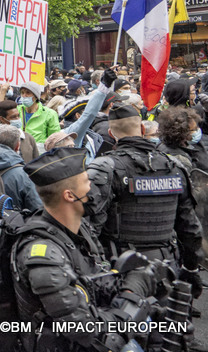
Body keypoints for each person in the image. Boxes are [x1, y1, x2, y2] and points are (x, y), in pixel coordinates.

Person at [12, 147, 162, 352]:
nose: (93, 188)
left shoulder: (80, 230)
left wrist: (131, 279)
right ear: (70, 195)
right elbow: (90, 334)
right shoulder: (43, 254)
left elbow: (95, 281)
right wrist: (131, 297)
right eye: (87, 182)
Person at [86, 104, 204, 298]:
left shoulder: (103, 168)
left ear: (111, 133)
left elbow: (91, 228)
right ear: (142, 129)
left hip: (120, 269)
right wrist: (191, 269)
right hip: (165, 268)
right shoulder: (174, 167)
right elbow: (190, 227)